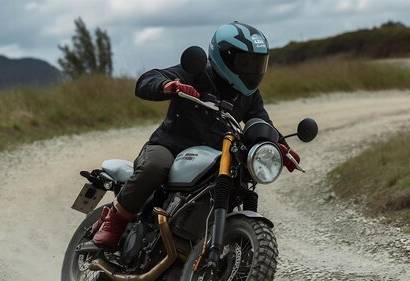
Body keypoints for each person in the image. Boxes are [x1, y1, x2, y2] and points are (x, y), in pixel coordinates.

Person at [91, 22, 300, 252]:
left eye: (257, 63)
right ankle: (115, 219)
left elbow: (260, 121)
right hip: (170, 146)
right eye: (245, 62)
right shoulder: (196, 72)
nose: (252, 70)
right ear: (223, 57)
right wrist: (167, 85)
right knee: (155, 166)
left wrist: (279, 146)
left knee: (238, 180)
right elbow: (146, 80)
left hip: (214, 157)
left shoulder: (249, 95)